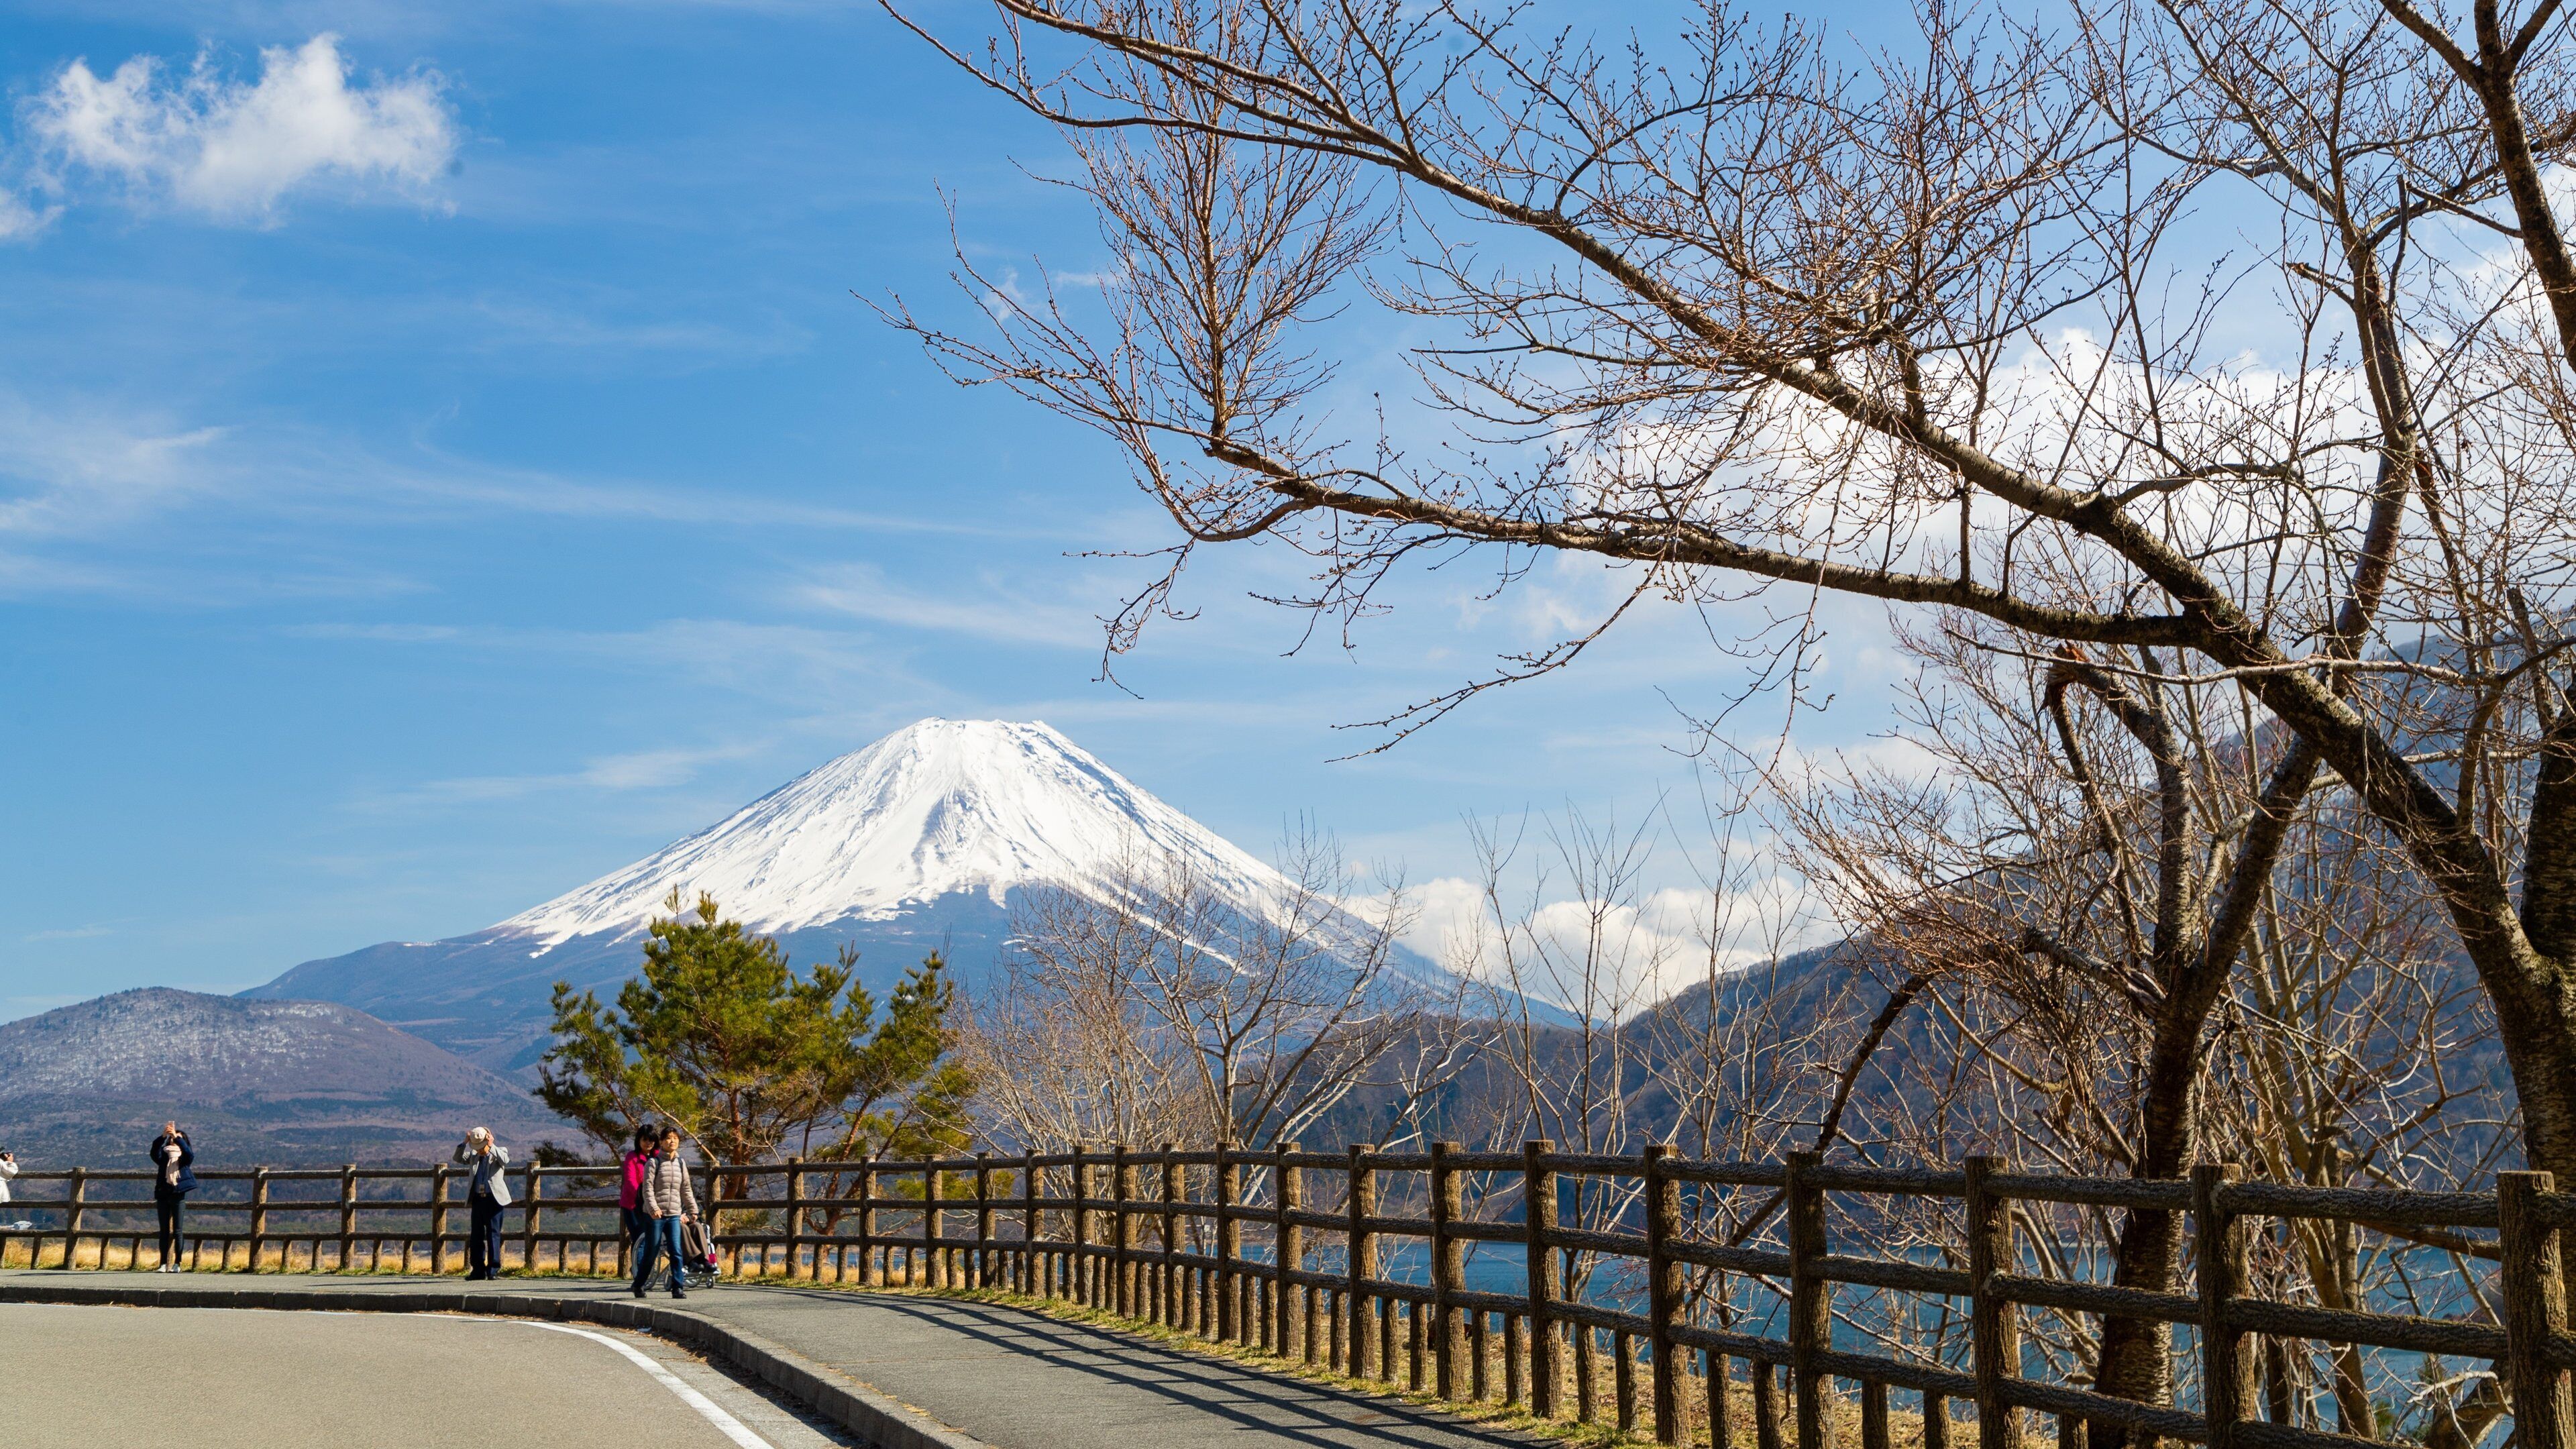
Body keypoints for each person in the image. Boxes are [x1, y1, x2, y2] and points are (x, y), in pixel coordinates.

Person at [629, 1126, 698, 1301]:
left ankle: (678, 1287)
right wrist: (653, 1209)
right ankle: (638, 1284)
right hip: (656, 1215)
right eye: (668, 1138)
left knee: (676, 1250)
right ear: (661, 1142)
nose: (672, 1141)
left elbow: (686, 1189)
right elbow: (647, 1189)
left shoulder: (681, 1164)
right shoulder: (653, 1163)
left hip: (674, 1214)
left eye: (675, 1138)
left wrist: (692, 1210)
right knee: (651, 1252)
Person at [450, 1126, 513, 1281]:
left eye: (482, 1146)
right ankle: (477, 1270)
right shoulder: (473, 1155)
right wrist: (465, 1143)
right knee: (476, 1236)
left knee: (493, 1234)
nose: (480, 1150)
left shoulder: (500, 1151)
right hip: (478, 1199)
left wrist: (492, 1146)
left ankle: (493, 1270)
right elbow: (457, 1158)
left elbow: (505, 1160)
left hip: (494, 1199)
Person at [148, 1123, 194, 1273]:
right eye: (172, 1138)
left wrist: (177, 1137)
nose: (173, 1140)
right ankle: (163, 1263)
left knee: (178, 1230)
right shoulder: (163, 1156)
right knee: (164, 1231)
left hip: (178, 1194)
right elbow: (154, 1152)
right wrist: (163, 1136)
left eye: (178, 1138)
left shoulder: (184, 1158)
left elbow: (189, 1154)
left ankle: (177, 1263)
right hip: (163, 1194)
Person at [618, 1124, 658, 1265]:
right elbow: (630, 1181)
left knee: (653, 1238)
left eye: (651, 1140)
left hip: (653, 1204)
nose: (648, 1143)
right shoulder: (632, 1156)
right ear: (639, 1140)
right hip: (633, 1204)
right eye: (645, 1140)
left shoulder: (658, 1157)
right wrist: (643, 1198)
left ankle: (644, 1269)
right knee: (640, 1237)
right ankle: (639, 1271)